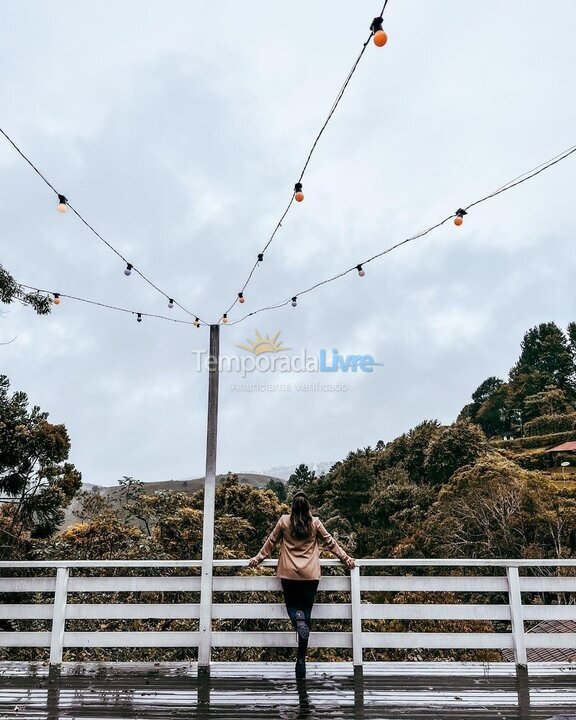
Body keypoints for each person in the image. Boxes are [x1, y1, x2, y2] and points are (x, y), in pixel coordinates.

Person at [249, 490, 355, 678]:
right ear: (307, 507)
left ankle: (297, 619)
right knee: (307, 614)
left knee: (292, 607)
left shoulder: (284, 521)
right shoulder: (315, 523)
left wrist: (258, 558)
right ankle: (301, 660)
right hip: (310, 574)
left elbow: (271, 541)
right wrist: (346, 558)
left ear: (292, 507)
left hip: (288, 573)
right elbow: (331, 543)